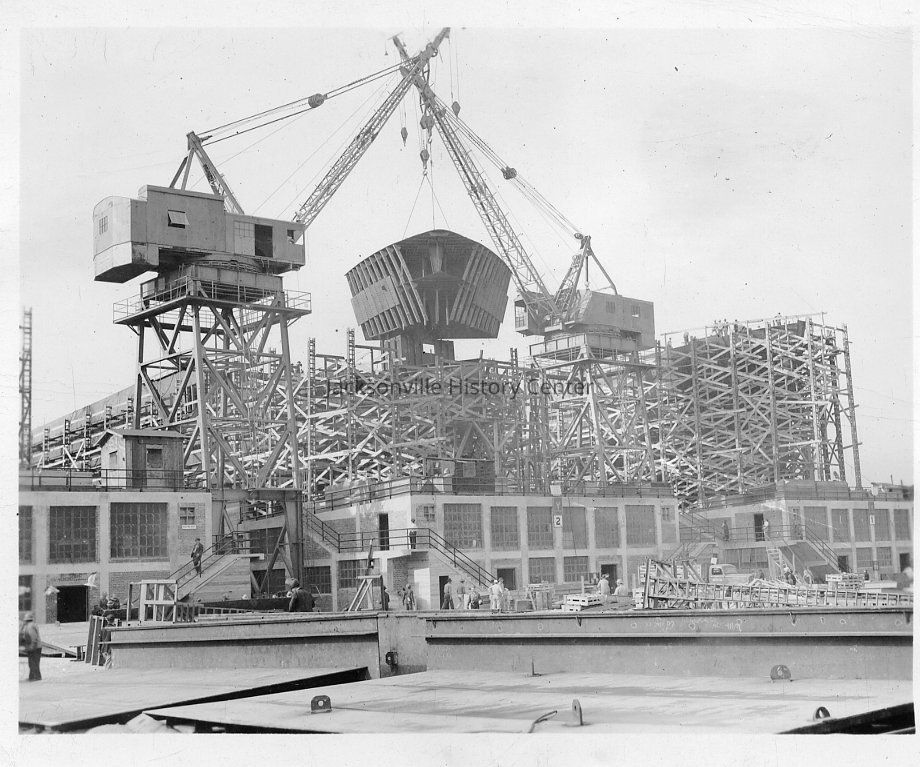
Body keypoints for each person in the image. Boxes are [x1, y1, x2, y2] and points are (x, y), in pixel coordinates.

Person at [20, 613, 42, 681]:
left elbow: (34, 638)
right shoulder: (29, 625)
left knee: (34, 663)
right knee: (32, 663)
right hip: (34, 646)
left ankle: (36, 677)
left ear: (26, 620)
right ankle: (32, 677)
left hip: (35, 647)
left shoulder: (30, 626)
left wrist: (32, 647)